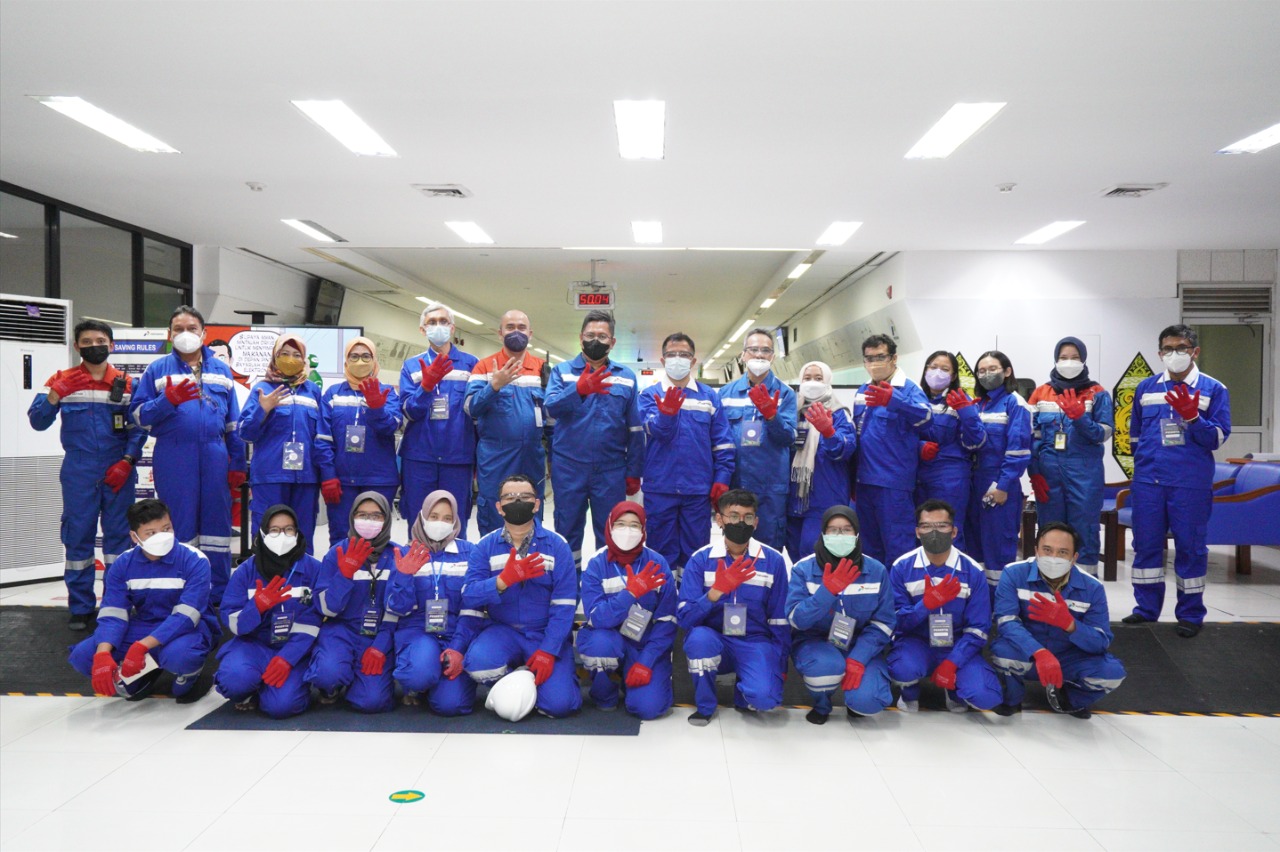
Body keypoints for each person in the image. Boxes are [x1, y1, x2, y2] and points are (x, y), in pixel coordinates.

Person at [28, 319, 145, 629]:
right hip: (78, 469)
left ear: (111, 345)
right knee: (78, 536)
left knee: (119, 539)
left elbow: (138, 428)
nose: (95, 346)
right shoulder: (60, 380)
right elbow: (37, 422)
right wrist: (54, 396)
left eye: (101, 341)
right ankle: (81, 607)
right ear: (76, 346)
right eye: (87, 341)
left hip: (118, 468)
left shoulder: (128, 384)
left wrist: (128, 461)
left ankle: (116, 604)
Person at [130, 306, 245, 605]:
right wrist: (166, 401)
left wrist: (237, 462)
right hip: (174, 454)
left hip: (215, 454)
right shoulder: (157, 370)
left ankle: (218, 596)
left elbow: (233, 422)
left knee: (217, 528)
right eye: (178, 329)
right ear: (170, 335)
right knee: (179, 523)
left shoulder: (221, 370)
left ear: (204, 333)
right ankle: (183, 591)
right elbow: (139, 416)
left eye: (192, 328)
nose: (185, 334)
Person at [1124, 324, 1231, 637]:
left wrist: (1194, 419)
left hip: (1190, 483)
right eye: (1168, 349)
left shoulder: (1213, 389)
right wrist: (1143, 471)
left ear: (1194, 351)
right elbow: (1135, 436)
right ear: (1160, 353)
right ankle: (1145, 610)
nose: (1175, 354)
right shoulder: (1146, 388)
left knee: (1190, 548)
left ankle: (1190, 614)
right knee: (1145, 546)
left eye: (1181, 348)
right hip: (1149, 482)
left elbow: (1217, 438)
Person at [68, 499, 215, 702]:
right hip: (144, 625)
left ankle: (190, 676)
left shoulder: (194, 560)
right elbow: (113, 613)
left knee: (180, 657)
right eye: (151, 533)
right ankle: (145, 670)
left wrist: (141, 647)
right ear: (134, 537)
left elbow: (187, 616)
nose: (161, 536)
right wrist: (103, 653)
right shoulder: (123, 564)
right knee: (83, 656)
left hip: (186, 628)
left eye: (166, 528)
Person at [461, 474, 581, 717]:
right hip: (502, 631)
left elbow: (565, 605)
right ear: (499, 507)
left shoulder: (557, 545)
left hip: (544, 633)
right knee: (478, 666)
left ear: (536, 504)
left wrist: (549, 650)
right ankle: (519, 680)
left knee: (560, 706)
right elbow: (469, 595)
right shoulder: (485, 546)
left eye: (525, 496)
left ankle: (539, 677)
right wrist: (501, 581)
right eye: (510, 497)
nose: (517, 501)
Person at [677, 489, 790, 726]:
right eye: (734, 516)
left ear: (756, 522)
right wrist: (714, 593)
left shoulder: (773, 560)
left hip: (755, 641)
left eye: (748, 517)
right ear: (719, 520)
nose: (741, 523)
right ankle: (705, 706)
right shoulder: (701, 559)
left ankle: (744, 694)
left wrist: (779, 665)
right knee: (698, 640)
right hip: (714, 637)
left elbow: (779, 619)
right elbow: (685, 618)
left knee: (766, 698)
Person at [991, 522, 1126, 718]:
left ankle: (1070, 698)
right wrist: (1039, 652)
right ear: (1036, 550)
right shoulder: (1013, 573)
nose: (1053, 557)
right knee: (1003, 653)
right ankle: (1012, 699)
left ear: (1074, 558)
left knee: (1112, 673)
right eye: (1047, 550)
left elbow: (1101, 642)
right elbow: (1006, 622)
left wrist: (1070, 625)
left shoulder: (1093, 588)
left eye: (1062, 552)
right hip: (1027, 654)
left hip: (1069, 658)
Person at [544, 310, 645, 567]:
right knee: (566, 531)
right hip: (569, 468)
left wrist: (634, 471)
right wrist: (578, 390)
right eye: (590, 335)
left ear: (613, 342)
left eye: (602, 336)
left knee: (612, 532)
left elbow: (635, 428)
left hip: (611, 469)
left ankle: (607, 582)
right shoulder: (563, 372)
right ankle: (568, 584)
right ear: (580, 338)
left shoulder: (626, 377)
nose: (595, 340)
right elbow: (551, 408)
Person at [887, 499, 1002, 712]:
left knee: (987, 696)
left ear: (954, 531)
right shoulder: (902, 567)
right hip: (917, 641)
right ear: (917, 532)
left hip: (958, 643)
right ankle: (909, 692)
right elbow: (896, 622)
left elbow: (978, 628)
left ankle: (955, 690)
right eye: (926, 526)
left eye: (941, 526)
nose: (934, 532)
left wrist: (953, 662)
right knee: (902, 668)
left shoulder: (972, 571)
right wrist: (925, 605)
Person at [785, 506, 895, 724]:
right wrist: (826, 593)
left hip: (860, 643)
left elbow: (884, 622)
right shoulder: (803, 569)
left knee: (869, 700)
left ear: (856, 534)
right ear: (823, 534)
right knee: (824, 667)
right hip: (815, 641)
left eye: (846, 529)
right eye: (833, 530)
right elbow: (796, 619)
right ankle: (821, 704)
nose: (839, 535)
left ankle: (857, 702)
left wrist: (859, 657)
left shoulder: (876, 570)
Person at [637, 333, 735, 572]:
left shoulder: (709, 397)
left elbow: (723, 443)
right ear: (663, 360)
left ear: (693, 361)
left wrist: (722, 479)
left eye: (684, 354)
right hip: (660, 488)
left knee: (696, 552)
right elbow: (654, 430)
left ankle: (690, 594)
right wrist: (666, 415)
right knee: (660, 552)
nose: (678, 359)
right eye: (672, 354)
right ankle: (664, 594)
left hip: (697, 489)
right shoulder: (649, 396)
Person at [213, 504, 322, 718]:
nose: (282, 536)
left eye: (288, 529)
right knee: (234, 681)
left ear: (297, 532)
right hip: (253, 644)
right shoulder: (246, 570)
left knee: (282, 706)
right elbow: (232, 621)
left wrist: (287, 658)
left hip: (294, 648)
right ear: (262, 534)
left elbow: (314, 621)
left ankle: (279, 687)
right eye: (274, 530)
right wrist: (257, 607)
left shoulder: (313, 568)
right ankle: (250, 689)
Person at [384, 491, 482, 715]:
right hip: (418, 633)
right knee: (418, 674)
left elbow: (474, 609)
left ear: (456, 521)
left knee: (451, 705)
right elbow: (395, 608)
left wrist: (458, 648)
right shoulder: (406, 553)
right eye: (434, 516)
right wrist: (403, 577)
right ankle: (419, 683)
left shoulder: (470, 553)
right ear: (422, 517)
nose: (440, 523)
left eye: (447, 518)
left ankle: (438, 681)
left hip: (456, 634)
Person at [577, 501, 677, 719]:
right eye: (620, 524)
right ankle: (605, 694)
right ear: (609, 526)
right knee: (600, 645)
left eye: (634, 525)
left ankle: (632, 677)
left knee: (648, 708)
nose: (627, 531)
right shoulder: (597, 563)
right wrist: (629, 594)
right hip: (608, 637)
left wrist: (646, 661)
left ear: (643, 530)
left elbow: (667, 620)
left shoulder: (657, 563)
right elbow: (597, 618)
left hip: (644, 643)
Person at [308, 492, 406, 712]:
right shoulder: (337, 553)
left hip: (379, 633)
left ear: (387, 519)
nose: (368, 521)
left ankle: (359, 680)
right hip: (341, 631)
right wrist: (344, 576)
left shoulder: (397, 555)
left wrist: (380, 646)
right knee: (327, 673)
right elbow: (326, 609)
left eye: (376, 516)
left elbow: (399, 609)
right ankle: (330, 686)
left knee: (372, 702)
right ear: (352, 517)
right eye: (362, 515)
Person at [238, 335, 337, 553]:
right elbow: (245, 432)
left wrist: (326, 474)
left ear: (304, 360)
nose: (290, 359)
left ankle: (301, 574)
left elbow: (321, 435)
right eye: (284, 354)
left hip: (306, 477)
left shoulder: (313, 391)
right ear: (274, 356)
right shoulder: (262, 389)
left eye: (296, 355)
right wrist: (262, 410)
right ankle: (263, 574)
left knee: (302, 534)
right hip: (270, 476)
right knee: (267, 533)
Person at [1027, 337, 1114, 576]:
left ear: (1084, 360)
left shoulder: (1098, 393)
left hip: (1085, 472)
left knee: (1085, 529)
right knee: (1049, 531)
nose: (1069, 362)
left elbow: (1104, 433)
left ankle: (1084, 585)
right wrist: (1034, 472)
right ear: (1055, 360)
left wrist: (1080, 418)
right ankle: (1048, 584)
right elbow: (1031, 436)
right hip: (1048, 472)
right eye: (1063, 357)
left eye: (1075, 358)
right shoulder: (1041, 393)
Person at [465, 310, 548, 535]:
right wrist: (494, 386)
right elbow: (470, 407)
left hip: (532, 455)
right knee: (495, 511)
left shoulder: (543, 369)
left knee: (532, 510)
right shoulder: (484, 367)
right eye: (510, 327)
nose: (516, 332)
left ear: (530, 334)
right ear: (500, 333)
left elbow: (551, 418)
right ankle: (494, 555)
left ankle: (532, 556)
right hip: (496, 456)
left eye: (521, 328)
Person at [852, 334, 933, 565]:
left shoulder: (908, 389)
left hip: (893, 484)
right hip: (864, 482)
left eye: (880, 357)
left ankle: (898, 590)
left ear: (894, 358)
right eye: (869, 358)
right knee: (868, 549)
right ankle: (875, 588)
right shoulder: (862, 390)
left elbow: (927, 418)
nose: (874, 363)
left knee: (898, 547)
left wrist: (895, 400)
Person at [400, 302, 478, 528]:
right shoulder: (412, 366)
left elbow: (477, 412)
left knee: (455, 522)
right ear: (422, 330)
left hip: (458, 457)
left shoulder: (470, 364)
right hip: (420, 457)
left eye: (444, 322)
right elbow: (409, 412)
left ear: (452, 328)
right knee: (419, 521)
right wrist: (425, 388)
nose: (438, 326)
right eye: (432, 322)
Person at [958, 350, 1032, 592]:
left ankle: (1001, 604)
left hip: (998, 486)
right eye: (981, 371)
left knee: (998, 548)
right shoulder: (977, 404)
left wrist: (1003, 486)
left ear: (1007, 371)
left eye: (992, 369)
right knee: (974, 547)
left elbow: (1018, 451)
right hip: (972, 484)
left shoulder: (1015, 403)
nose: (986, 374)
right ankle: (979, 601)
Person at [718, 329, 797, 550]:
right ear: (743, 355)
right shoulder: (726, 394)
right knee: (734, 545)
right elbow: (717, 440)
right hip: (736, 484)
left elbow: (789, 438)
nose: (759, 355)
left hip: (771, 486)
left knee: (768, 548)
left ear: (773, 356)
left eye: (765, 350)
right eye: (753, 350)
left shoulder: (785, 394)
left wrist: (772, 416)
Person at [324, 336, 401, 542]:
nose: (360, 361)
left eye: (366, 356)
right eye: (354, 356)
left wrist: (376, 408)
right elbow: (323, 439)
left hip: (379, 479)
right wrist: (328, 475)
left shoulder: (387, 392)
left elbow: (391, 427)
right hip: (342, 480)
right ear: (346, 361)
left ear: (374, 360)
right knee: (342, 536)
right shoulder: (333, 394)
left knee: (376, 538)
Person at [787, 360, 857, 562]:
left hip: (825, 496)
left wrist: (829, 432)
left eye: (818, 378)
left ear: (827, 381)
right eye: (807, 378)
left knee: (814, 552)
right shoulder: (792, 411)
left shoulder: (839, 413)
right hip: (792, 498)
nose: (812, 382)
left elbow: (846, 449)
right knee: (795, 553)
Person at [915, 351, 983, 553]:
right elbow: (901, 435)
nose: (937, 373)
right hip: (916, 476)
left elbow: (976, 442)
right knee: (920, 531)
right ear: (925, 369)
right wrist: (918, 446)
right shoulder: (916, 398)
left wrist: (966, 413)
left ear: (953, 376)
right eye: (933, 367)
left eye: (945, 369)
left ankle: (953, 572)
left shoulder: (960, 400)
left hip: (949, 478)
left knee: (948, 531)